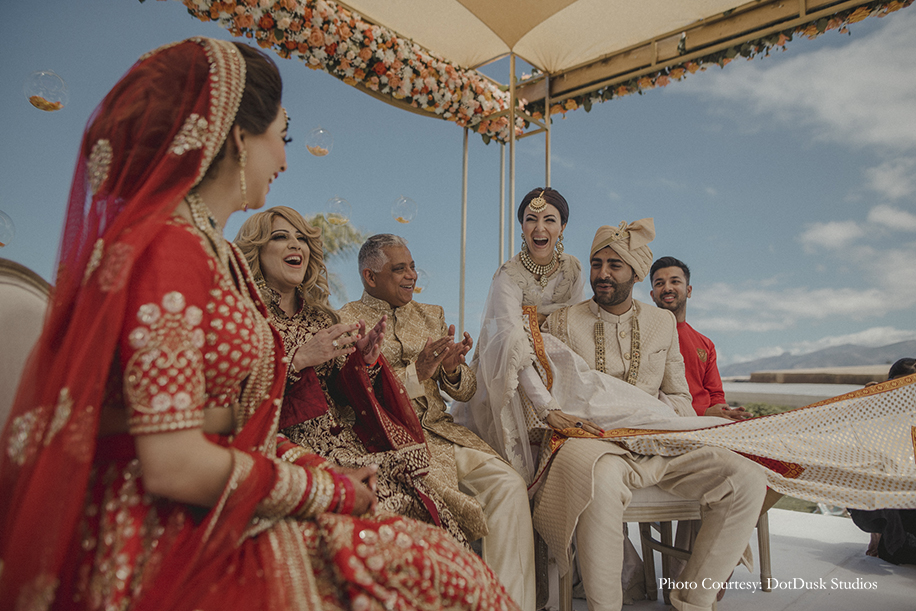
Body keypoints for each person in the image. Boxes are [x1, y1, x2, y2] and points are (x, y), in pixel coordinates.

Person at [0, 38, 519, 611]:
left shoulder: (211, 253)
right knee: (451, 579)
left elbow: (229, 413)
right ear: (236, 137)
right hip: (164, 528)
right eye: (282, 136)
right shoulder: (169, 250)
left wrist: (337, 437)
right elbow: (173, 461)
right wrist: (324, 486)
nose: (285, 160)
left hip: (243, 480)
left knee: (445, 552)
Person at [535, 220, 767, 611]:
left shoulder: (662, 322)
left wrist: (651, 418)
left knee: (746, 477)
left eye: (615, 265)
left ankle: (693, 601)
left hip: (661, 441)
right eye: (596, 264)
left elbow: (679, 396)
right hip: (597, 444)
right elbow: (552, 393)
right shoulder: (563, 321)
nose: (603, 274)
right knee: (600, 481)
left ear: (636, 274)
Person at [234, 206, 467, 543]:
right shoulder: (244, 317)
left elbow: (344, 394)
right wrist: (296, 361)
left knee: (422, 508)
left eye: (301, 238)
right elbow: (234, 399)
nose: (295, 245)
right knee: (381, 517)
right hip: (284, 448)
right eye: (281, 237)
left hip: (350, 443)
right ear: (256, 250)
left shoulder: (321, 318)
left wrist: (366, 364)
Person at [339, 234, 537, 611]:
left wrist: (452, 369)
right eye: (400, 269)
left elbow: (464, 391)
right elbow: (352, 394)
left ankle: (508, 604)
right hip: (387, 444)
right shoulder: (347, 321)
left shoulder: (432, 314)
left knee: (510, 485)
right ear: (370, 276)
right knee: (431, 505)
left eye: (413, 267)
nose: (412, 275)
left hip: (442, 434)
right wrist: (416, 373)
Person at [649, 256, 748, 420]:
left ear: (689, 291)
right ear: (652, 295)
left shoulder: (706, 344)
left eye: (675, 281)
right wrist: (704, 412)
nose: (667, 288)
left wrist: (723, 413)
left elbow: (716, 394)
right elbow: (648, 394)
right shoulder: (644, 337)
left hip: (708, 424)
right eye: (659, 283)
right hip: (667, 422)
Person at [848, 357, 916, 565]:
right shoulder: (876, 419)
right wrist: (869, 404)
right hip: (895, 521)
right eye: (899, 386)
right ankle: (882, 536)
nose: (906, 392)